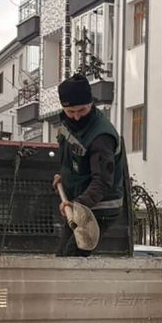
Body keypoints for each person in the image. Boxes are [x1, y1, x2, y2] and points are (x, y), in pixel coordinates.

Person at [52, 74, 128, 257]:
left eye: (82, 110)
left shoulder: (101, 136)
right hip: (79, 204)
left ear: (91, 103)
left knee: (72, 257)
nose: (77, 117)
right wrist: (63, 176)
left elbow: (102, 182)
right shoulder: (67, 124)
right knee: (62, 256)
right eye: (71, 111)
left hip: (101, 206)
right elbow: (71, 157)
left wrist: (76, 204)